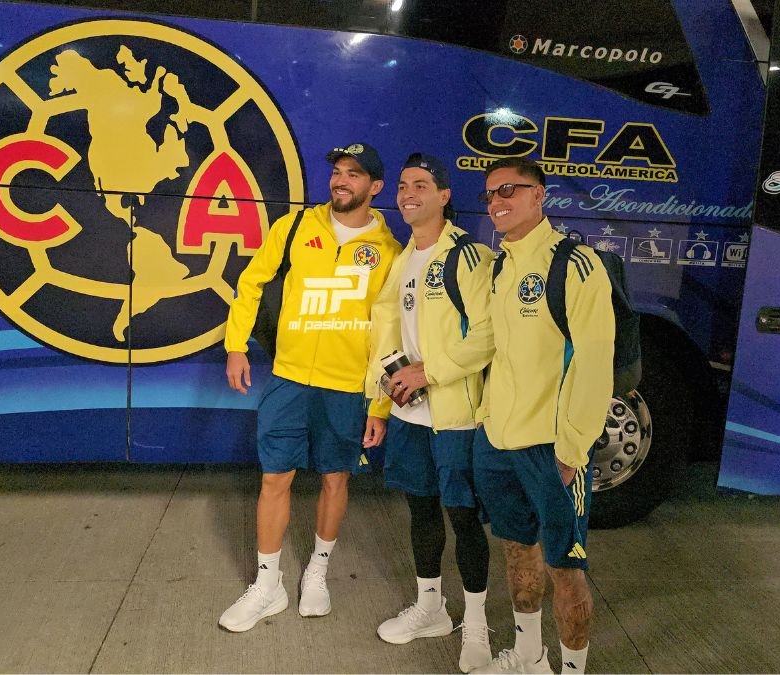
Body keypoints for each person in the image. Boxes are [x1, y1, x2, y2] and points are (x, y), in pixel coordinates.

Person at [219, 142, 402, 632]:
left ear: (375, 186)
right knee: (274, 478)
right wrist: (236, 345)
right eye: (338, 171)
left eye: (354, 174)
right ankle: (268, 585)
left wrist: (379, 405)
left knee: (336, 479)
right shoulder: (296, 226)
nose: (341, 180)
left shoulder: (390, 252)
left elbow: (389, 334)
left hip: (346, 387)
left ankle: (317, 573)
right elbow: (251, 283)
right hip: (289, 378)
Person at [470, 157, 614, 674]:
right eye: (490, 194)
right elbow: (492, 348)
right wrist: (483, 415)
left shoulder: (574, 264)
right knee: (517, 549)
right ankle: (529, 655)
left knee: (565, 568)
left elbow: (595, 363)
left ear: (540, 194)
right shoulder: (500, 265)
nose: (497, 201)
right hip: (498, 441)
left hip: (552, 448)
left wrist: (572, 448)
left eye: (509, 189)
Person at [366, 153, 495, 672]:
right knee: (421, 511)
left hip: (455, 417)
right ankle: (431, 609)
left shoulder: (468, 255)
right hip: (408, 416)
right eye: (402, 185)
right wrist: (380, 404)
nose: (408, 193)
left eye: (421, 184)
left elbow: (487, 335)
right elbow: (387, 338)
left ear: (444, 196)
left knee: (464, 518)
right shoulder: (404, 259)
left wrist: (430, 372)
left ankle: (477, 624)